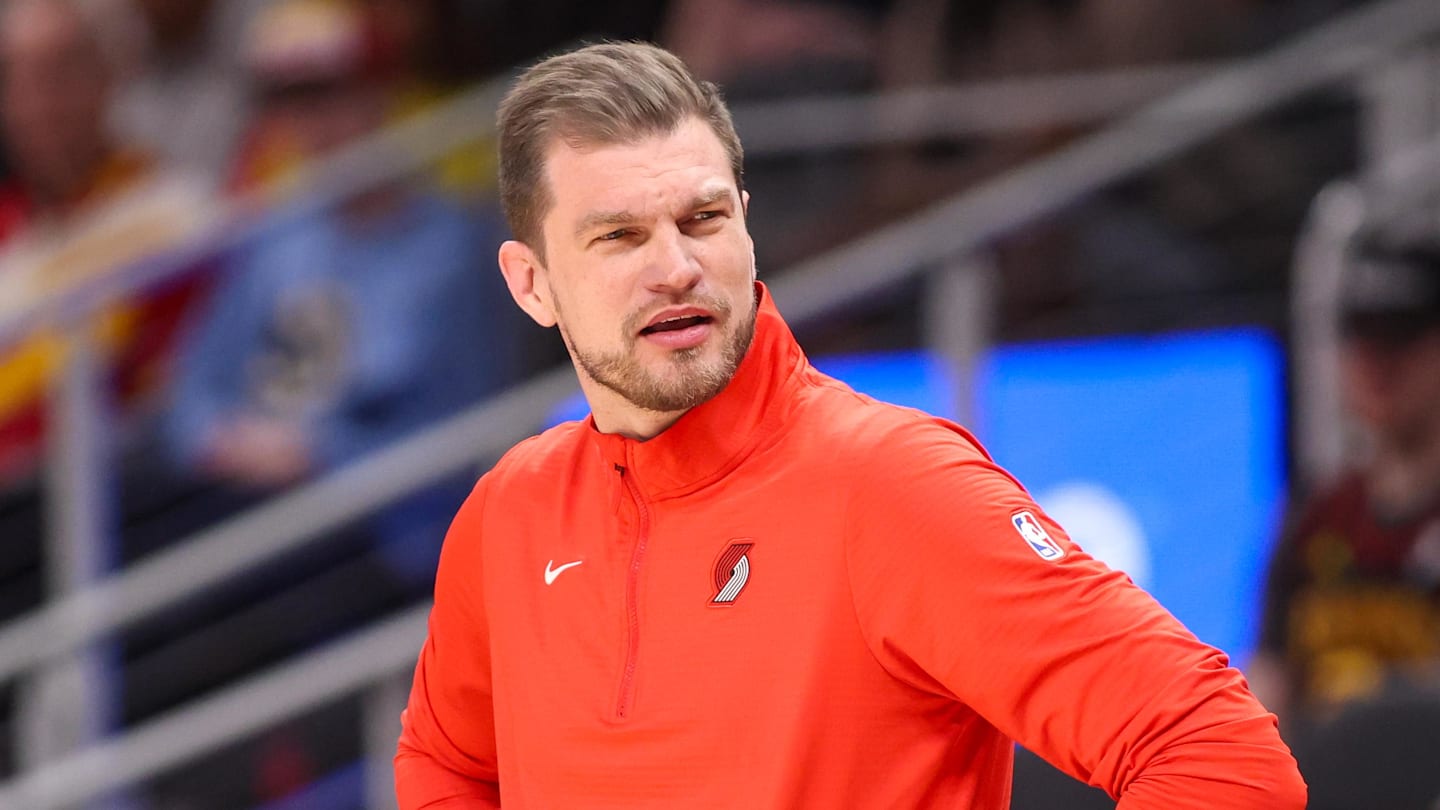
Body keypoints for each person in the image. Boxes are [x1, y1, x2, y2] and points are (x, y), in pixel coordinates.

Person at [395, 41, 1306, 808]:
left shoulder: (890, 485)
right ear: (531, 283)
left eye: (702, 219)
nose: (675, 267)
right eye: (619, 237)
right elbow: (447, 765)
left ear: (746, 228)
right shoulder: (509, 511)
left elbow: (1219, 753)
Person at [1253, 233, 1440, 726]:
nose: (1376, 363)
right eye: (1361, 336)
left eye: (1402, 337)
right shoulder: (1319, 515)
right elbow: (1269, 678)